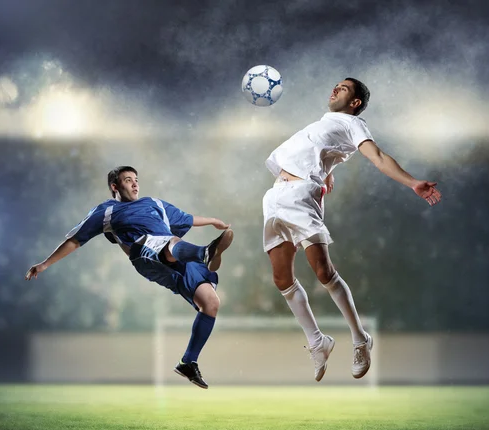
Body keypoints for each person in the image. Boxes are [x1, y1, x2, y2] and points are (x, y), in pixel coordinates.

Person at [262, 78, 442, 382]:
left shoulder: (352, 124)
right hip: (275, 197)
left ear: (355, 102)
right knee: (281, 279)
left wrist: (413, 183)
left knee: (323, 272)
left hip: (301, 196)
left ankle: (360, 339)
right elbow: (323, 152)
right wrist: (328, 170)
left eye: (343, 88)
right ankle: (318, 342)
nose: (335, 89)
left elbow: (378, 157)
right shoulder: (323, 124)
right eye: (335, 85)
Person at [25, 166, 233, 389]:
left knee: (211, 302)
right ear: (115, 187)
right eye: (127, 180)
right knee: (169, 241)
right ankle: (204, 253)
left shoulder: (155, 203)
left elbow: (187, 218)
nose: (135, 184)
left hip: (175, 255)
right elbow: (76, 240)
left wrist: (212, 220)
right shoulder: (106, 211)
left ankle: (188, 362)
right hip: (144, 252)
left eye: (136, 179)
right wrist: (45, 263)